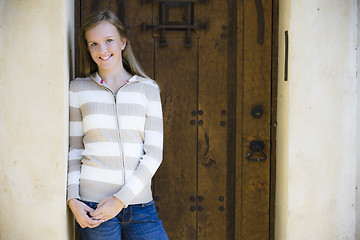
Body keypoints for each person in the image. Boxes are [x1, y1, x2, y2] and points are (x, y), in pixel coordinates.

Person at [67, 9, 168, 240]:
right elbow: (74, 149)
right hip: (93, 208)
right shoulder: (78, 89)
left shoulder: (147, 89)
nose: (102, 50)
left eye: (108, 41)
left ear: (123, 42)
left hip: (140, 206)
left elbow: (154, 154)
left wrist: (120, 199)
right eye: (94, 44)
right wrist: (73, 199)